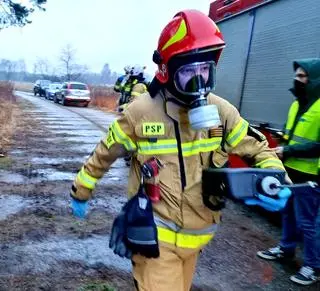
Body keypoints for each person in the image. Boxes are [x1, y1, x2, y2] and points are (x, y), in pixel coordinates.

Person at [70, 10, 286, 291]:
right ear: (167, 71)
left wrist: (274, 179)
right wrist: (81, 189)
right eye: (188, 73)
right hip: (155, 238)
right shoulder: (141, 113)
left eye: (205, 71)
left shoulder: (222, 112)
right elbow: (104, 152)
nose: (199, 83)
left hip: (198, 239)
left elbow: (259, 148)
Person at [257, 59, 320, 286]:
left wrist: (289, 149)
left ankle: (313, 266)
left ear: (314, 80)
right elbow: (290, 133)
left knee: (308, 222)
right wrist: (281, 140)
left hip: (311, 175)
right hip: (290, 170)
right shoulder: (297, 104)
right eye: (297, 76)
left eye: (303, 76)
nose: (297, 80)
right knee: (288, 214)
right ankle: (285, 250)